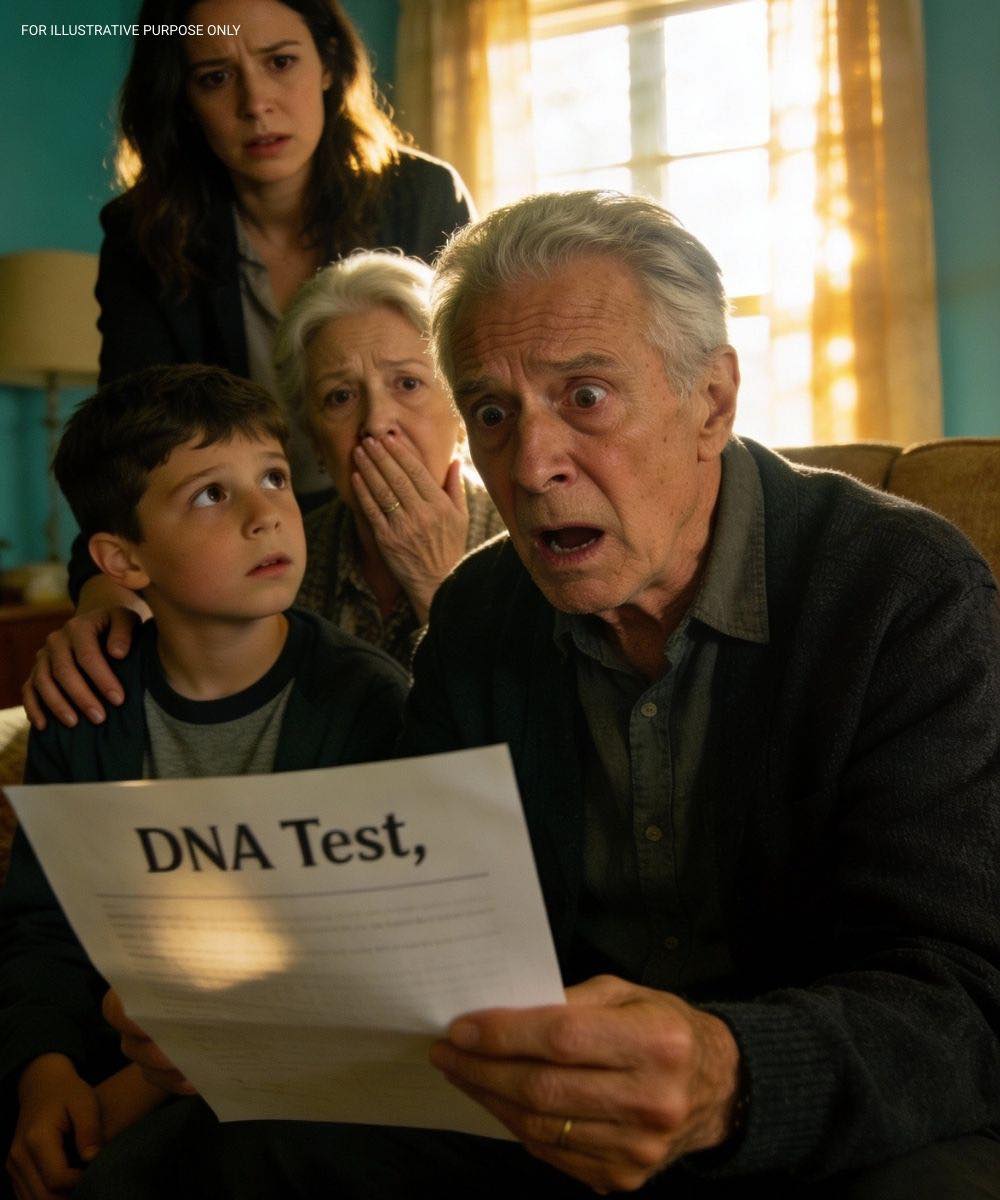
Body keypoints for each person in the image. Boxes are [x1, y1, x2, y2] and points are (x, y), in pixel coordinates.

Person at [99, 191, 1000, 1198]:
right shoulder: (480, 610)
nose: (530, 467)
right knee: (188, 1160)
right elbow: (423, 920)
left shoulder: (901, 590)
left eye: (586, 396)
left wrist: (726, 1078)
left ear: (711, 401)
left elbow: (966, 996)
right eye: (492, 413)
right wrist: (259, 1005)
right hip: (539, 1109)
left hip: (829, 1115)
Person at [0, 364, 407, 1200]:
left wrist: (129, 1095)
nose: (267, 514)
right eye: (211, 495)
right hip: (116, 1047)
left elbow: (350, 957)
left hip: (297, 1074)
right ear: (122, 559)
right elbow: (44, 928)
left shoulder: (366, 699)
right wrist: (46, 1077)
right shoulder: (84, 708)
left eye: (274, 477)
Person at [43, 0, 472, 713]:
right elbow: (132, 441)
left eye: (280, 62)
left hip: (412, 509)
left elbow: (469, 379)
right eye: (215, 77)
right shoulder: (142, 233)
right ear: (181, 98)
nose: (256, 104)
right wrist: (102, 593)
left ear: (328, 63)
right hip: (238, 536)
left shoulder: (420, 196)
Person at [277, 250, 505, 664]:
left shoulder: (525, 545)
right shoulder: (285, 558)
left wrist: (436, 583)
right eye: (340, 396)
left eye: (408, 383)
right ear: (314, 439)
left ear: (460, 412)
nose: (377, 422)